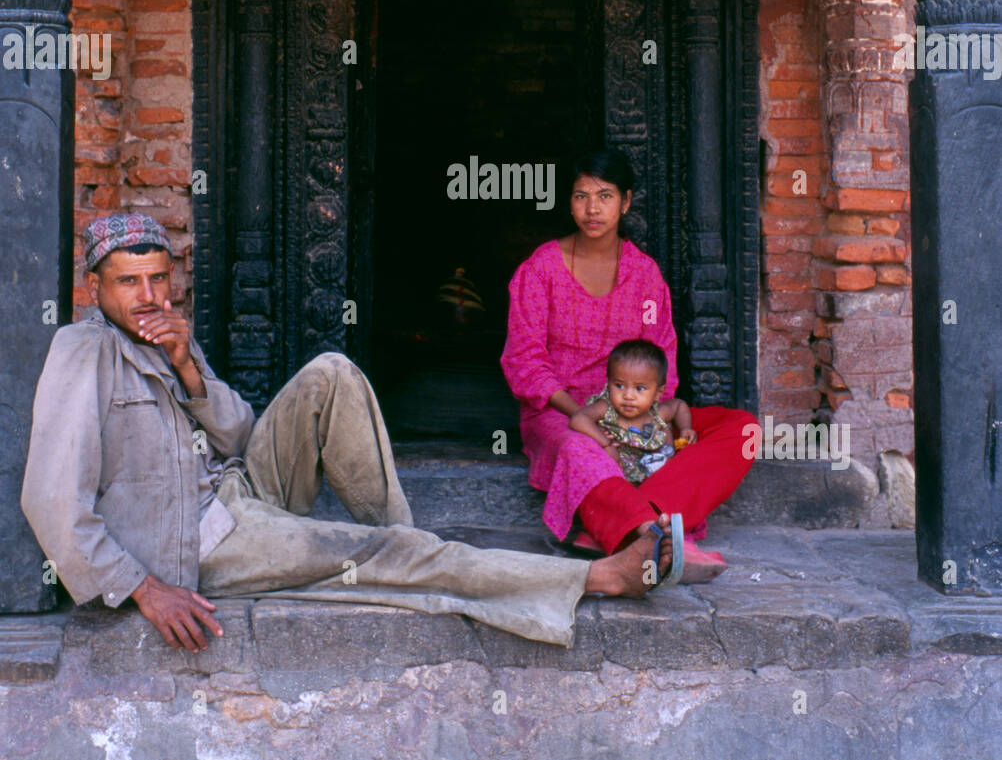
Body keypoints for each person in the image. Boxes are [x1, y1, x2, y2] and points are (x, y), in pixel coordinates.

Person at [21, 213, 681, 656]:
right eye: (128, 283)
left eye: (159, 279)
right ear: (95, 288)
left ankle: (406, 539)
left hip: (238, 488)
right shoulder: (86, 352)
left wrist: (188, 365)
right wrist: (144, 588)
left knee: (329, 372)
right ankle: (596, 579)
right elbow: (51, 503)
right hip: (202, 540)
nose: (148, 296)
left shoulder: (166, 336)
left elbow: (240, 435)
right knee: (391, 557)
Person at [501, 148, 756, 578]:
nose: (592, 208)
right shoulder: (541, 270)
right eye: (581, 196)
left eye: (604, 195)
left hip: (638, 408)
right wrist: (585, 416)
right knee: (579, 448)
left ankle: (609, 527)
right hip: (565, 412)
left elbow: (662, 358)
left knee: (742, 430)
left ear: (626, 201)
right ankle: (652, 536)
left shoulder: (644, 276)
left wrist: (647, 421)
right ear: (569, 201)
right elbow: (525, 362)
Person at [570, 338, 696, 486]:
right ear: (608, 384)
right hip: (616, 476)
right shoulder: (606, 408)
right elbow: (578, 418)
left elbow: (679, 405)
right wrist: (605, 444)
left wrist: (685, 427)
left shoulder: (656, 414)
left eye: (640, 388)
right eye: (619, 385)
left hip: (652, 474)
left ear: (657, 393)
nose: (628, 396)